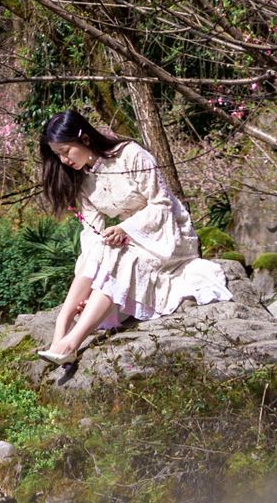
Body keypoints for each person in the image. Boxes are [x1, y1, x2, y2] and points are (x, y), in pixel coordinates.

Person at [35, 109, 229, 366]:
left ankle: (74, 341)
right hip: (131, 236)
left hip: (168, 233)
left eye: (66, 151)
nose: (63, 160)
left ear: (84, 138)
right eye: (58, 154)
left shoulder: (131, 155)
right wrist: (94, 277)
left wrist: (126, 229)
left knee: (119, 255)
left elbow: (161, 204)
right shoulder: (83, 180)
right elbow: (91, 231)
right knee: (99, 250)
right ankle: (60, 331)